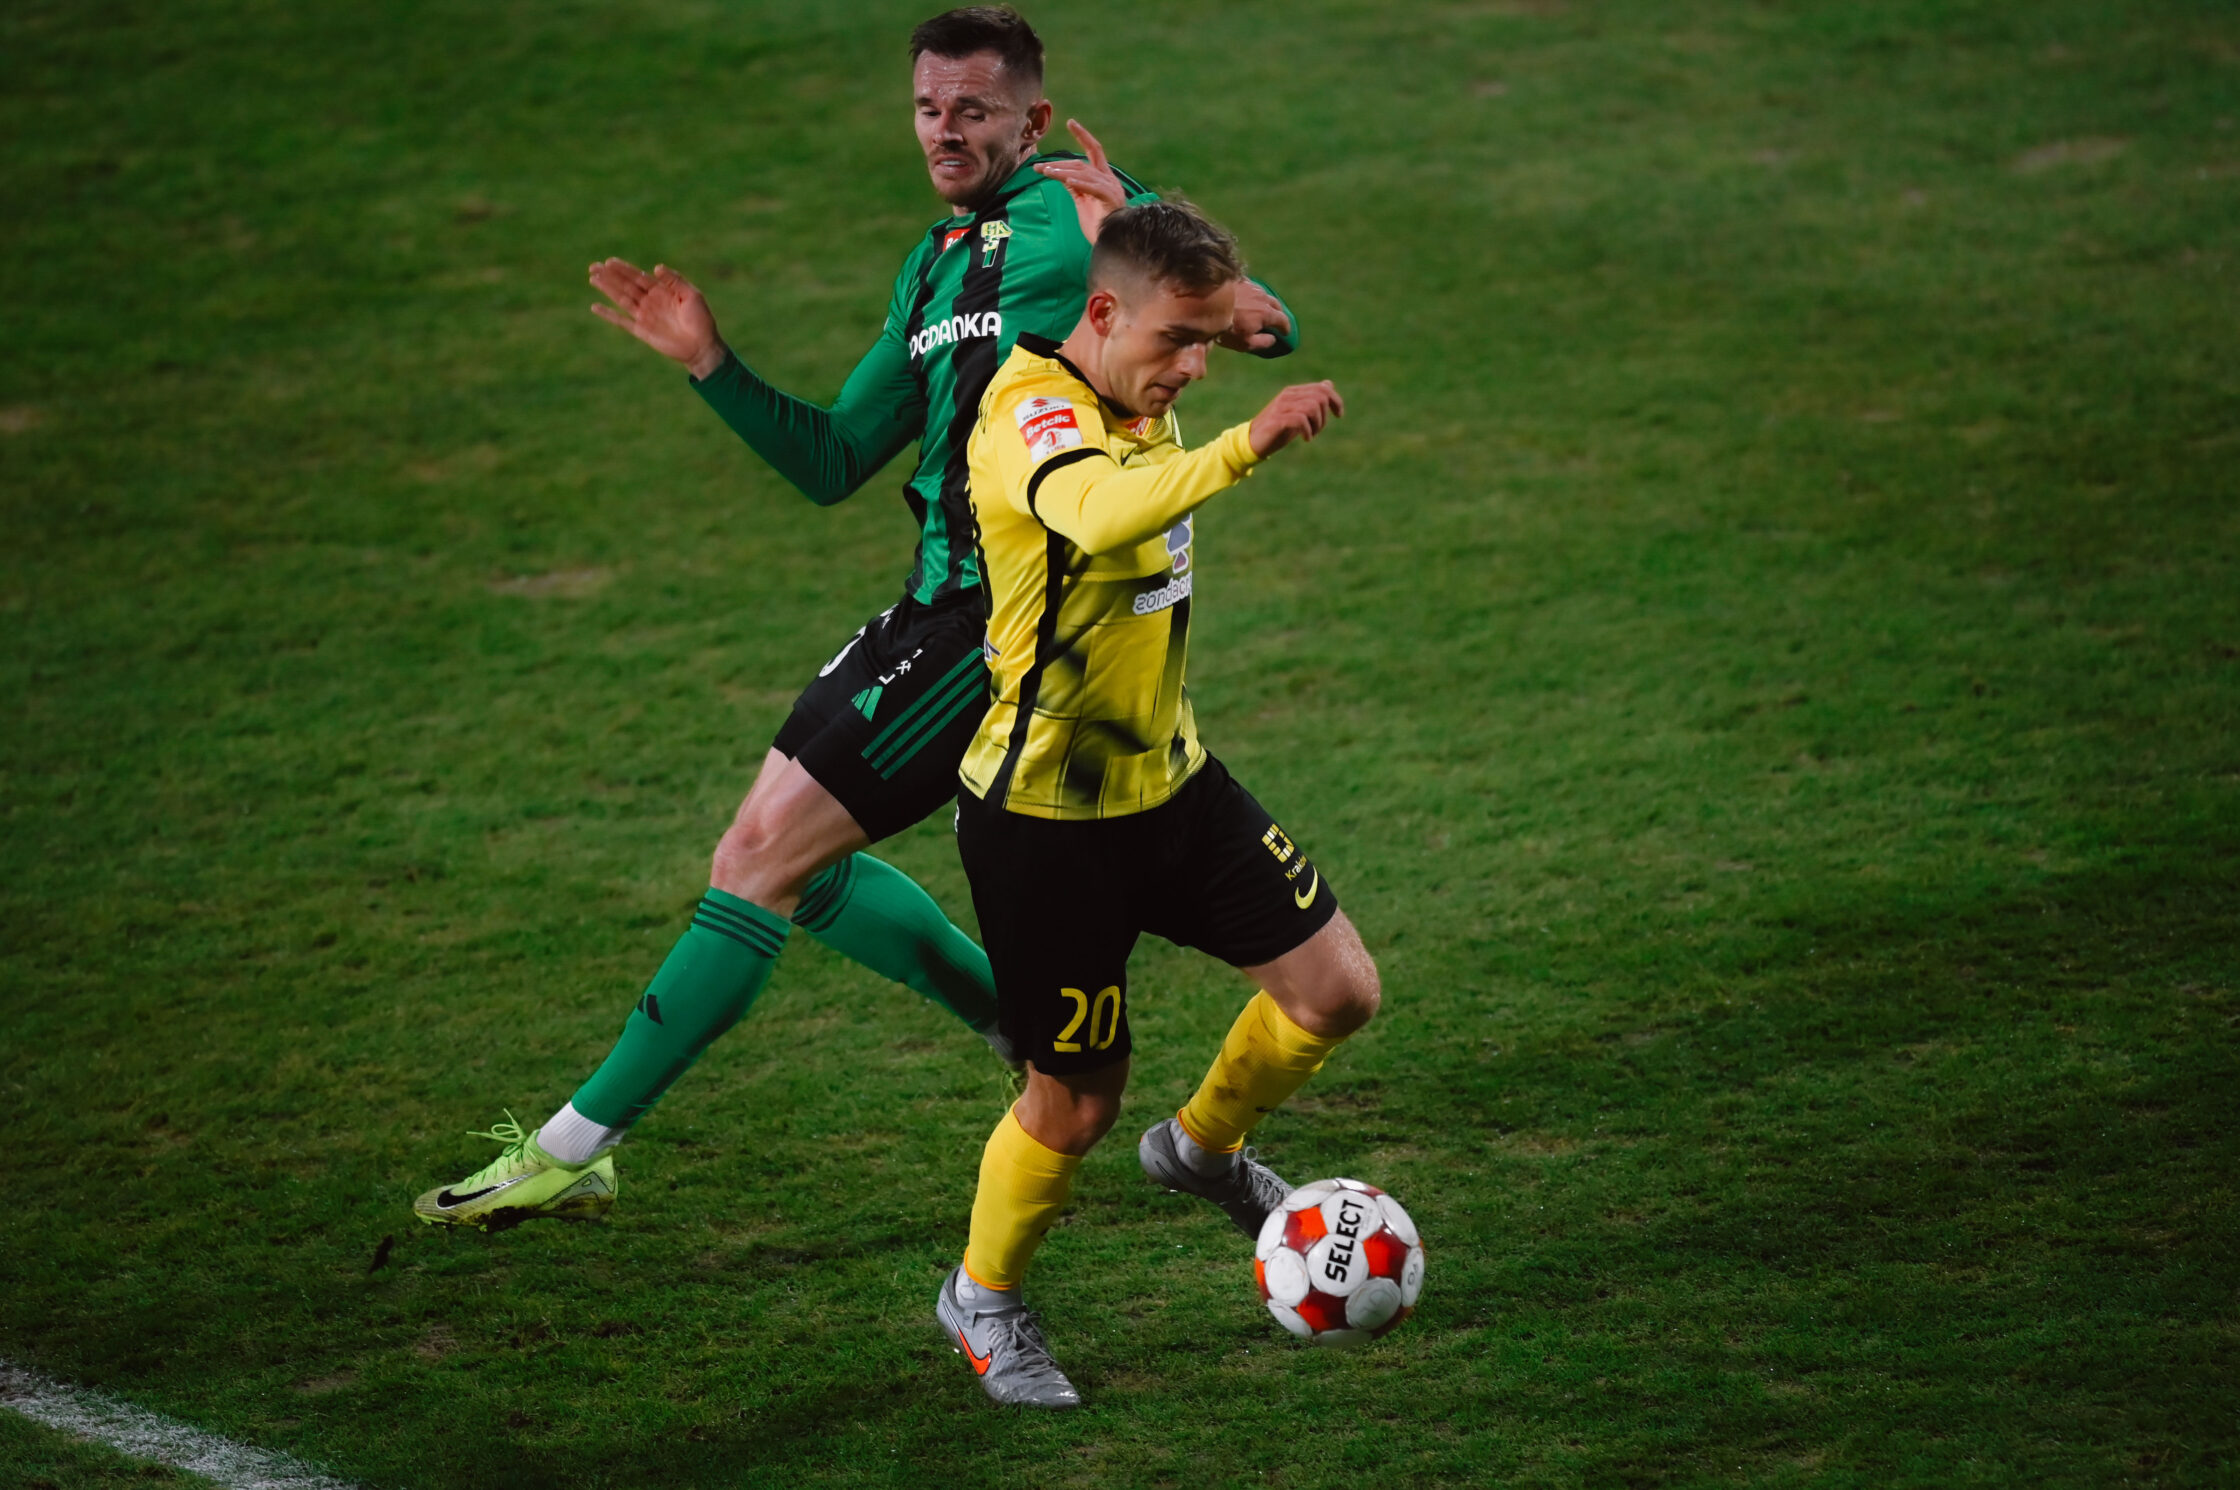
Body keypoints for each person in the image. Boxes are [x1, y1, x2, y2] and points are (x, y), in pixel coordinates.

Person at [413, 7, 1300, 1230]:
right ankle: (1024, 1028)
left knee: (757, 859)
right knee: (797, 865)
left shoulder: (1075, 212)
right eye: (928, 108)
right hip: (925, 604)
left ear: (1032, 119)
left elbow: (1261, 323)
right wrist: (709, 362)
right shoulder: (930, 266)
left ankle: (575, 1145)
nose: (944, 130)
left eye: (973, 109)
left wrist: (1141, 211)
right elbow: (834, 458)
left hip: (1000, 622)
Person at [934, 200, 1378, 1407]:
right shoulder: (1030, 417)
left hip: (1171, 784)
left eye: (1204, 344)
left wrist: (1144, 221)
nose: (1193, 367)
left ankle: (1200, 1149)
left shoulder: (1135, 363)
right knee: (1072, 1103)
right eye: (1177, 342)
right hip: (1045, 824)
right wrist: (1243, 444)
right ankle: (982, 1294)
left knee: (1335, 990)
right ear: (1100, 313)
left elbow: (1234, 314)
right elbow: (1096, 511)